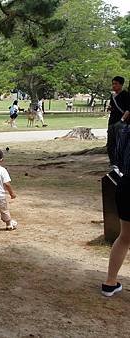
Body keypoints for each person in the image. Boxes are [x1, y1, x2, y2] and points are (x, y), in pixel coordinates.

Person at [102, 120, 130, 296]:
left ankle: (110, 282)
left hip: (126, 185)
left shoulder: (125, 129)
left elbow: (117, 158)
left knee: (125, 236)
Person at [107, 76, 130, 165]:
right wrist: (111, 108)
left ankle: (120, 163)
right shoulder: (112, 96)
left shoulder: (126, 95)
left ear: (121, 85)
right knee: (110, 144)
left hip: (121, 123)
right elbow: (114, 107)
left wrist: (122, 120)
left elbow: (128, 109)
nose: (114, 86)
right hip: (112, 121)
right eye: (113, 84)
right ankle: (113, 162)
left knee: (120, 144)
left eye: (116, 84)